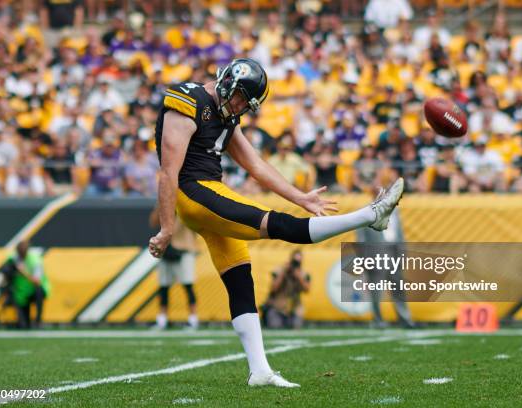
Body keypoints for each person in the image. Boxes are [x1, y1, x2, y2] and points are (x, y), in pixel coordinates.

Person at [149, 58, 404, 388]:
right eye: (239, 96)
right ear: (227, 80)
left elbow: (256, 165)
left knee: (241, 279)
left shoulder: (228, 118)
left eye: (245, 103)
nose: (239, 105)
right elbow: (168, 172)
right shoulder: (190, 100)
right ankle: (370, 215)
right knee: (279, 225)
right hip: (194, 193)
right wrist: (167, 228)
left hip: (210, 193)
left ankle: (260, 371)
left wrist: (302, 197)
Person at [149, 207, 199, 330]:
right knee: (164, 286)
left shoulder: (186, 201)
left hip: (184, 249)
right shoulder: (165, 203)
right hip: (166, 250)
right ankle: (162, 319)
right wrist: (162, 203)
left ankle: (193, 319)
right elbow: (153, 222)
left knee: (188, 285)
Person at [6, 240, 50, 329]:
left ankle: (38, 321)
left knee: (39, 293)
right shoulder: (13, 259)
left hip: (34, 290)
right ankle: (25, 322)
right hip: (21, 292)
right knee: (24, 325)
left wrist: (23, 272)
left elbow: (37, 281)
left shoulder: (35, 260)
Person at [262, 250, 310, 329]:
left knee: (296, 326)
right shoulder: (279, 271)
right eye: (294, 262)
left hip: (294, 309)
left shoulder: (303, 274)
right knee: (275, 326)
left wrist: (298, 277)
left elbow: (307, 290)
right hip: (277, 308)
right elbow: (273, 288)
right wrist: (283, 272)